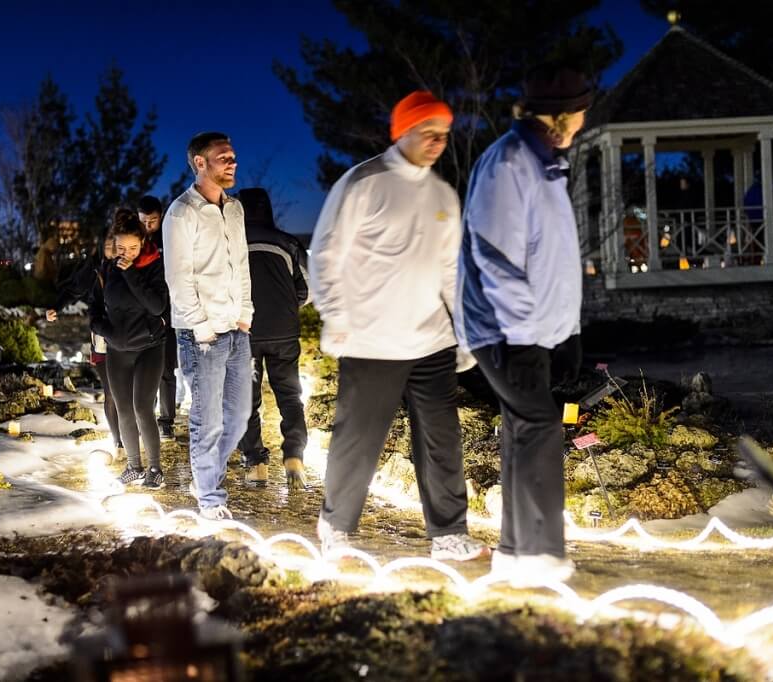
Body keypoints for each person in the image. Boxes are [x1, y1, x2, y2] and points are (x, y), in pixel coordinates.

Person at [309, 91, 485, 562]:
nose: (437, 143)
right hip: (371, 338)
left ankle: (448, 533)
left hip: (432, 339)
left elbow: (452, 272)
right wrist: (337, 317)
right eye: (428, 133)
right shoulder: (363, 183)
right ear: (402, 130)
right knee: (358, 438)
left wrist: (464, 332)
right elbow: (326, 254)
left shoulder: (442, 194)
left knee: (442, 438)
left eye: (444, 135)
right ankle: (336, 525)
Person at [454, 63, 592, 586]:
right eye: (579, 112)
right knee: (539, 425)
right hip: (504, 328)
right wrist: (526, 332)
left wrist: (569, 331)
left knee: (523, 427)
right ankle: (537, 553)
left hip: (533, 329)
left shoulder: (547, 167)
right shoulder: (509, 163)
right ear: (559, 117)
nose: (582, 121)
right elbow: (495, 255)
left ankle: (517, 552)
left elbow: (553, 259)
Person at [163, 131, 253, 521]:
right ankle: (210, 498)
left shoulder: (235, 209)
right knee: (208, 420)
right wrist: (200, 326)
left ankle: (204, 480)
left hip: (236, 328)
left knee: (239, 416)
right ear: (200, 163)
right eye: (223, 158)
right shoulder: (181, 213)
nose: (232, 163)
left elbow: (242, 265)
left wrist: (246, 313)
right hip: (203, 335)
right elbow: (178, 276)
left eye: (233, 157)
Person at [90, 208, 170, 489]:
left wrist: (133, 275)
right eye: (122, 248)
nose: (127, 253)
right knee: (123, 408)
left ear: (143, 243)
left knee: (142, 407)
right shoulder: (107, 270)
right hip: (117, 350)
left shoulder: (154, 265)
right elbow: (95, 310)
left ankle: (155, 468)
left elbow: (157, 306)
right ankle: (134, 466)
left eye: (133, 247)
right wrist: (106, 330)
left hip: (149, 346)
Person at [236, 187, 310, 488]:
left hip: (246, 332)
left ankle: (256, 464)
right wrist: (286, 307)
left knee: (246, 400)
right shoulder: (289, 242)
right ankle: (294, 455)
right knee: (290, 395)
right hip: (284, 332)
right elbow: (305, 289)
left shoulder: (231, 243)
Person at [47, 230, 124, 461]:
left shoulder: (130, 267)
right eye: (109, 243)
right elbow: (72, 289)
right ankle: (119, 441)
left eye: (116, 243)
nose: (113, 248)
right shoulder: (93, 270)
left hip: (130, 338)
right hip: (101, 338)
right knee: (111, 392)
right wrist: (56, 307)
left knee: (131, 394)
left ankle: (134, 434)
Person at [138, 194, 178, 442]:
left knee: (166, 370)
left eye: (152, 220)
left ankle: (166, 421)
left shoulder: (170, 239)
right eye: (143, 220)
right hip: (143, 315)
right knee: (144, 370)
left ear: (160, 217)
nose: (148, 226)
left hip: (170, 313)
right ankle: (145, 416)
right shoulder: (135, 240)